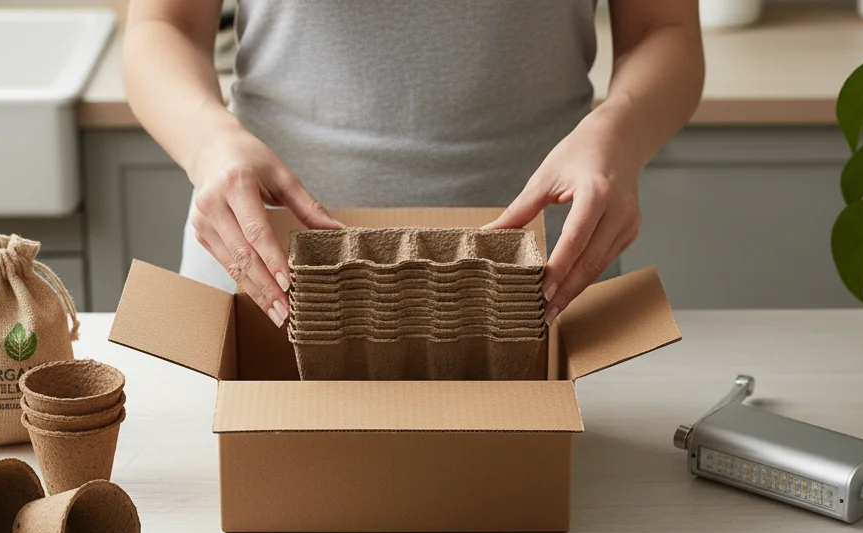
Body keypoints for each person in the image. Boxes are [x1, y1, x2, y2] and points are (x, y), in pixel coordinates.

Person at [125, 1, 703, 327]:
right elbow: (160, 26)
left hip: (552, 288)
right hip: (261, 278)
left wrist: (620, 134)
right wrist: (209, 145)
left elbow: (664, 29)